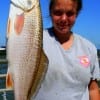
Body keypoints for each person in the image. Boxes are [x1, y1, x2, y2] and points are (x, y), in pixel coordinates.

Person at [32, 0, 100, 100]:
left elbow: (93, 89)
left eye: (70, 13)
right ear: (50, 12)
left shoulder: (89, 48)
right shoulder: (34, 40)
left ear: (77, 14)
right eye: (58, 13)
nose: (64, 19)